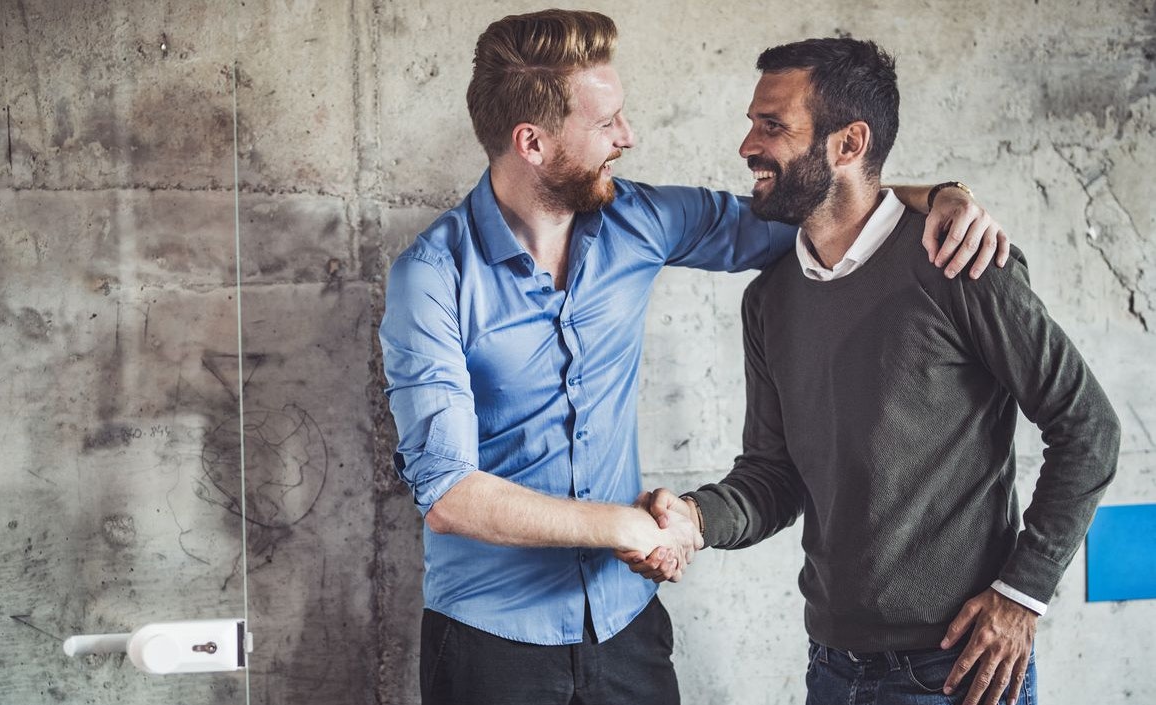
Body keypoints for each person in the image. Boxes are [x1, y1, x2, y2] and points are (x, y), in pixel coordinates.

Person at [380, 11, 1009, 705]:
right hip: (488, 641)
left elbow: (817, 211)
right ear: (532, 141)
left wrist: (941, 195)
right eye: (606, 123)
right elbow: (447, 492)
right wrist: (628, 525)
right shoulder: (432, 277)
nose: (628, 136)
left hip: (626, 623)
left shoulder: (638, 220)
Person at [622, 37, 1120, 705]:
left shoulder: (958, 261)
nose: (747, 145)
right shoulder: (769, 299)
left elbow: (1088, 426)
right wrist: (693, 518)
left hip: (955, 672)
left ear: (848, 144)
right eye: (752, 122)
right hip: (832, 666)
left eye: (772, 125)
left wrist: (1021, 594)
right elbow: (773, 476)